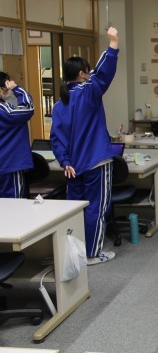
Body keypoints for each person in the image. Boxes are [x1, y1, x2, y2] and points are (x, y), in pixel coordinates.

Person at [50, 26, 120, 265]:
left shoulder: (59, 104)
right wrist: (113, 44)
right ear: (81, 74)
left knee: (75, 209)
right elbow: (103, 73)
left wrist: (65, 162)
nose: (89, 75)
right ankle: (92, 254)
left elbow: (56, 138)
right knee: (96, 209)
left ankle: (76, 252)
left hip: (73, 166)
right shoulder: (88, 91)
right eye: (87, 72)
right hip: (96, 162)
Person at [0, 72, 34, 198]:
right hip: (10, 164)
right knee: (16, 204)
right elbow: (28, 107)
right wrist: (16, 88)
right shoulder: (4, 110)